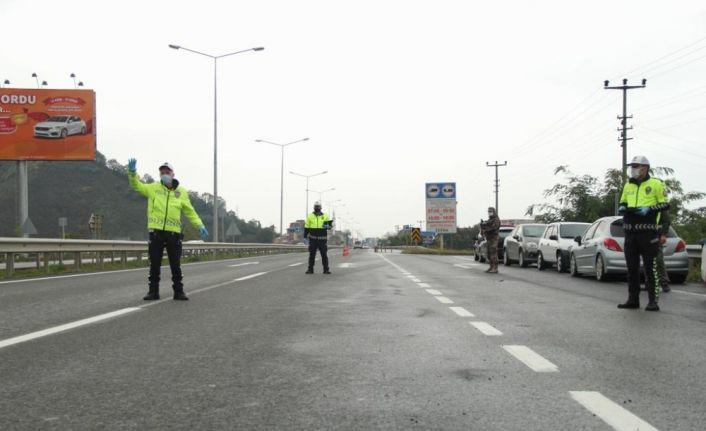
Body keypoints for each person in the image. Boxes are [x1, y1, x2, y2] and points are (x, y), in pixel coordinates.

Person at [128, 159, 209, 300]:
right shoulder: (153, 188)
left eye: (167, 172)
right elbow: (136, 185)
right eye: (162, 172)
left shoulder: (181, 192)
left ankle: (179, 291)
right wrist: (132, 172)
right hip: (156, 233)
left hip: (174, 234)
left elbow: (190, 212)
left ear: (173, 174)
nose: (164, 174)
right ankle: (153, 292)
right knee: (154, 264)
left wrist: (199, 225)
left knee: (175, 264)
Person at [617, 155, 670, 312]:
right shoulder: (628, 185)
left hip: (648, 232)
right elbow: (623, 201)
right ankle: (633, 299)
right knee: (631, 269)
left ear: (645, 167)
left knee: (650, 268)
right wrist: (623, 207)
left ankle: (653, 301)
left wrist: (650, 209)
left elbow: (665, 205)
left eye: (636, 166)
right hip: (631, 231)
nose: (633, 169)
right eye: (632, 166)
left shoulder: (656, 184)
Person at [304, 201, 332, 274]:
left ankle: (326, 269)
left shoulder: (325, 215)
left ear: (321, 208)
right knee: (312, 254)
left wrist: (328, 225)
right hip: (313, 239)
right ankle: (310, 269)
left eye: (318, 207)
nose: (317, 208)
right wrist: (305, 235)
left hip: (322, 239)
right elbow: (306, 226)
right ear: (314, 208)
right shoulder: (310, 216)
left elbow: (328, 227)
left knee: (324, 254)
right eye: (316, 207)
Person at [480, 207, 501, 273]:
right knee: (489, 253)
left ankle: (495, 268)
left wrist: (486, 229)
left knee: (493, 253)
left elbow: (493, 228)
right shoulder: (489, 220)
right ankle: (491, 267)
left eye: (490, 211)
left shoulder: (496, 220)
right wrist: (483, 226)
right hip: (489, 239)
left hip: (493, 238)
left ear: (494, 212)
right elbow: (485, 226)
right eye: (488, 211)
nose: (489, 213)